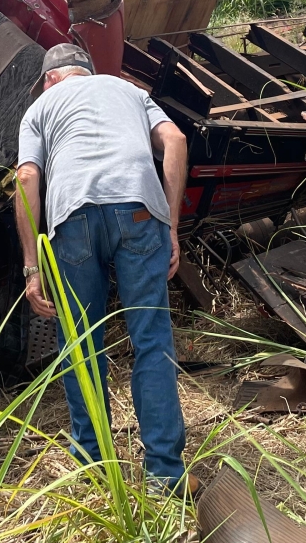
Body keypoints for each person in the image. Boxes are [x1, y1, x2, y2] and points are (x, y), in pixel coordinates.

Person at [15, 43, 191, 490]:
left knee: (82, 343)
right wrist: (169, 224)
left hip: (72, 218)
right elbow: (175, 140)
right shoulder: (126, 89)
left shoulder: (40, 106)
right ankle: (164, 475)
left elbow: (27, 178)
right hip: (137, 210)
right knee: (151, 341)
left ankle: (94, 465)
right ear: (88, 72)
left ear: (50, 79)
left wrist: (31, 267)